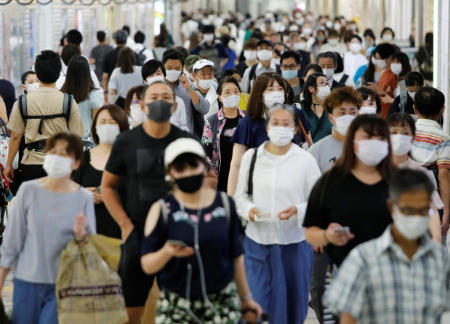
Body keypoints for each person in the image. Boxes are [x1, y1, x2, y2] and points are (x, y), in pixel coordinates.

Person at [101, 81, 195, 324]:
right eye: (154, 96)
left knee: (179, 306)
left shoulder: (186, 142)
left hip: (178, 233)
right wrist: (125, 225)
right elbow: (108, 187)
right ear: (142, 105)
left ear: (175, 107)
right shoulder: (126, 142)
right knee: (132, 307)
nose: (160, 101)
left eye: (166, 97)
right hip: (137, 232)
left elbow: (201, 189)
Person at [140, 138, 262, 323]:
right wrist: (167, 252)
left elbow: (236, 256)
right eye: (180, 169)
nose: (188, 173)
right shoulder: (162, 210)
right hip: (176, 306)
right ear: (169, 174)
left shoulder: (225, 205)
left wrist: (246, 299)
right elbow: (147, 265)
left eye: (193, 165)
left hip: (222, 304)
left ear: (204, 166)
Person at [324, 169, 450, 324]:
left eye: (422, 210)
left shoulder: (439, 262)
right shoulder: (363, 260)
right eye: (408, 209)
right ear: (392, 207)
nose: (415, 217)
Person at [234, 104, 321, 324]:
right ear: (267, 127)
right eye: (275, 123)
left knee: (294, 306)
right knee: (258, 304)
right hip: (257, 243)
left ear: (294, 129)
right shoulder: (252, 157)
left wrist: (298, 210)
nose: (280, 128)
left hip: (295, 243)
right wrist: (249, 210)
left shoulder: (306, 160)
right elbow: (240, 197)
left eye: (286, 124)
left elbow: (318, 202)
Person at [303, 115, 394, 322]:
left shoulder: (398, 182)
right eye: (368, 137)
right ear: (353, 141)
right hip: (341, 278)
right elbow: (310, 233)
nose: (375, 143)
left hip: (388, 280)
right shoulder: (331, 183)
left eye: (381, 138)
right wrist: (327, 235)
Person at [0, 133, 96, 323]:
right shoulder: (28, 190)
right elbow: (12, 243)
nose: (57, 157)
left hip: (65, 285)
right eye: (53, 152)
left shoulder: (83, 197)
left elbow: (91, 248)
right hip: (27, 281)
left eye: (65, 154)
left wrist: (81, 235)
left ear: (76, 163)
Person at [4, 50, 85, 182]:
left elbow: (15, 137)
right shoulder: (68, 101)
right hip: (60, 162)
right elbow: (77, 137)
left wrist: (9, 164)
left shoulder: (23, 101)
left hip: (31, 164)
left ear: (37, 73)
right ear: (59, 74)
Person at [227, 73, 310, 195]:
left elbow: (308, 146)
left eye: (280, 89)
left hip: (294, 185)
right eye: (270, 89)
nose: (276, 93)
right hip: (259, 188)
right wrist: (232, 198)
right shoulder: (248, 123)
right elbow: (236, 165)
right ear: (260, 95)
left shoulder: (296, 114)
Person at [73, 105, 128, 239]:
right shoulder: (82, 159)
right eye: (102, 122)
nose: (107, 126)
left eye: (113, 122)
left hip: (123, 232)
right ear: (95, 127)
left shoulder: (131, 159)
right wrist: (84, 195)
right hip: (90, 235)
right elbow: (67, 195)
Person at [387, 112, 442, 242]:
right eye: (394, 133)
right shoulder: (374, 170)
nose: (399, 137)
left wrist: (436, 237)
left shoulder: (421, 174)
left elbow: (431, 209)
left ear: (413, 137)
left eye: (405, 133)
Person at [411, 87, 449, 236]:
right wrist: (446, 210)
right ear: (442, 109)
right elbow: (444, 176)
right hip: (432, 198)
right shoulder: (443, 138)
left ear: (414, 109)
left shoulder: (407, 131)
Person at [201, 77, 245, 192]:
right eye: (227, 92)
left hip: (243, 178)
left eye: (236, 92)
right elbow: (206, 151)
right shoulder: (212, 121)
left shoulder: (247, 119)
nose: (232, 95)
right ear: (220, 97)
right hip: (220, 178)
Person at [308, 86, 362, 173]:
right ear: (331, 118)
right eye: (342, 113)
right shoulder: (317, 151)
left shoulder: (368, 146)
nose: (348, 116)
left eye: (352, 112)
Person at [162, 48, 210, 136]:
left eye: (177, 68)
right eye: (169, 68)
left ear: (182, 68)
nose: (173, 71)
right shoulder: (156, 87)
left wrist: (189, 89)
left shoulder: (188, 86)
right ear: (163, 67)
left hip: (185, 139)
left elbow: (205, 109)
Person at [60, 55, 104, 137]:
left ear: (69, 73)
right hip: (87, 141)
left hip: (66, 140)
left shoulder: (61, 95)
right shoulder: (94, 95)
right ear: (87, 72)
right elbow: (97, 123)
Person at [142, 59, 188, 131]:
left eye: (158, 73)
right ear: (145, 80)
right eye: (150, 75)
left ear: (164, 76)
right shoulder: (142, 102)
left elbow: (184, 125)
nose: (155, 77)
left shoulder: (178, 101)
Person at [301, 73, 332, 142]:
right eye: (322, 83)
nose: (326, 86)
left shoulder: (332, 109)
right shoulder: (299, 108)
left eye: (327, 84)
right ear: (311, 88)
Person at [102, 30, 131, 100]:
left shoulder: (108, 55)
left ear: (115, 41)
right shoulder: (133, 55)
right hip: (129, 91)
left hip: (113, 91)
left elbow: (105, 76)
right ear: (126, 40)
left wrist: (105, 92)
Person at [371, 43, 396, 117]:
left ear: (390, 57)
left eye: (380, 58)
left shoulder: (397, 75)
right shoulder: (384, 73)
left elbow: (403, 101)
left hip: (393, 116)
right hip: (383, 115)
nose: (378, 61)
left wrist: (381, 92)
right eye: (376, 58)